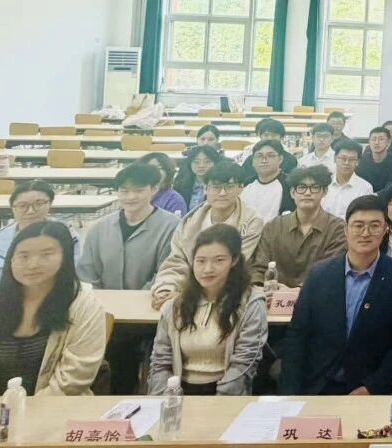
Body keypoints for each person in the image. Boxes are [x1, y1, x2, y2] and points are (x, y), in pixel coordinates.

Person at [281, 195, 392, 395]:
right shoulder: (319, 274)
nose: (365, 233)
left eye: (374, 226)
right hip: (318, 385)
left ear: (385, 230)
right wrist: (290, 394)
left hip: (370, 388)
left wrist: (372, 386)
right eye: (358, 225)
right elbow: (297, 334)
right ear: (346, 229)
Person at [0, 221, 105, 396]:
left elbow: (73, 380)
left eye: (46, 254)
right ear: (11, 260)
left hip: (56, 407)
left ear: (65, 257)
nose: (33, 264)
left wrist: (24, 409)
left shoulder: (83, 306)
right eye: (23, 256)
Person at [146, 224, 266, 396]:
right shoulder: (174, 305)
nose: (208, 269)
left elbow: (243, 365)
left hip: (226, 394)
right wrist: (167, 400)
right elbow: (160, 363)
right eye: (200, 261)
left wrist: (216, 403)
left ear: (234, 260)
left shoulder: (250, 303)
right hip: (177, 392)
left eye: (219, 260)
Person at [151, 161, 264, 310]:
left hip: (229, 297)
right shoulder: (190, 222)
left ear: (240, 188)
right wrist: (166, 290)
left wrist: (187, 294)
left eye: (229, 187)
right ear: (205, 189)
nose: (222, 193)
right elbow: (176, 261)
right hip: (185, 292)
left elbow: (232, 266)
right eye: (216, 187)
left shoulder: (251, 221)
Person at [77, 163, 180, 290]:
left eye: (139, 190)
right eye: (124, 191)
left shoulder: (172, 226)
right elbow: (87, 273)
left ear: (154, 189)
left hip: (150, 299)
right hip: (101, 300)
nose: (131, 197)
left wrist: (136, 299)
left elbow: (166, 273)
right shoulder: (99, 228)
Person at [248, 165, 346, 289]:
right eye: (301, 187)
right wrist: (264, 289)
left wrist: (295, 292)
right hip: (272, 296)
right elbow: (258, 269)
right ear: (292, 193)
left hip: (316, 296)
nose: (307, 193)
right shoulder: (273, 227)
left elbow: (331, 272)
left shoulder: (337, 228)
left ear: (325, 191)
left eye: (315, 187)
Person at [0, 181, 80, 298]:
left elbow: (72, 278)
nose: (31, 211)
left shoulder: (68, 237)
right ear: (13, 209)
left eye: (39, 204)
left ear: (50, 204)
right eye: (22, 206)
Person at [239, 139, 293, 221]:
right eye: (259, 156)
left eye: (270, 156)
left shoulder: (290, 184)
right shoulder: (244, 184)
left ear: (281, 159)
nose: (264, 160)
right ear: (252, 160)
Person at [320, 140, 374, 219]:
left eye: (351, 159)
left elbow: (364, 216)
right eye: (343, 158)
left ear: (358, 162)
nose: (346, 163)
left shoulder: (365, 188)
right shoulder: (323, 183)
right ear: (335, 158)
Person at [175, 144, 222, 209]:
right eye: (196, 162)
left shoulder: (222, 187)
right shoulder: (180, 185)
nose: (201, 166)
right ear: (190, 164)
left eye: (207, 162)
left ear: (215, 163)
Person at [140, 152, 187, 216]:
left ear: (167, 171)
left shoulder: (174, 200)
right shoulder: (136, 195)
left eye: (158, 168)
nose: (154, 171)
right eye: (149, 168)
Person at [356, 126, 392, 192]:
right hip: (362, 195)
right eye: (373, 139)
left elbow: (390, 188)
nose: (376, 142)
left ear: (388, 142)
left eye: (381, 139)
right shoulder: (362, 159)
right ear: (369, 142)